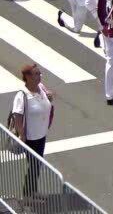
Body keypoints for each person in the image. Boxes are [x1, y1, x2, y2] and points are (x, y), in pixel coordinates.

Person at [11, 64, 54, 196]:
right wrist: (22, 135)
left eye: (39, 73)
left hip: (41, 134)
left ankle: (32, 191)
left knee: (37, 165)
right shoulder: (22, 95)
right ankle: (28, 194)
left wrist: (50, 96)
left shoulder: (40, 88)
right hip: (30, 137)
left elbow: (48, 98)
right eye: (36, 74)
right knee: (34, 166)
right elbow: (17, 116)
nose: (39, 76)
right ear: (27, 77)